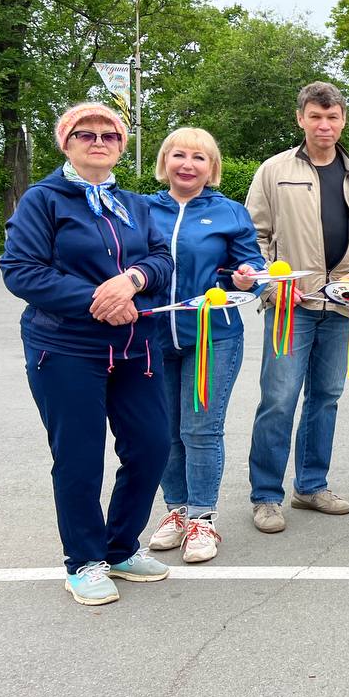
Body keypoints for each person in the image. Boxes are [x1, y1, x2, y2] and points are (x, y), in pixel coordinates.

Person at [0, 102, 174, 605]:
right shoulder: (43, 200)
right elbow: (22, 270)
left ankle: (120, 547)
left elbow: (161, 258)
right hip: (66, 347)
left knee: (151, 446)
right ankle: (83, 560)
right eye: (85, 133)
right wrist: (100, 299)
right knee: (77, 457)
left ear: (121, 146)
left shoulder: (137, 205)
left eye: (109, 135)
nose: (98, 141)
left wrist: (134, 280)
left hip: (137, 347)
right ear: (66, 143)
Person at [245, 81, 349, 534]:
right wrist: (274, 284)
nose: (324, 125)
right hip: (291, 305)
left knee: (325, 398)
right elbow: (253, 237)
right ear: (301, 119)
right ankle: (266, 496)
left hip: (343, 307)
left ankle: (311, 486)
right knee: (279, 399)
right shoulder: (273, 171)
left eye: (332, 117)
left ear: (343, 120)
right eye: (315, 116)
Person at [145, 128, 264, 563]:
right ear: (164, 162)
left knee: (200, 428)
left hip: (214, 336)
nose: (187, 164)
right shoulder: (142, 210)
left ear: (211, 168)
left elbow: (251, 268)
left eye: (199, 157)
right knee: (164, 429)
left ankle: (202, 519)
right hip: (154, 337)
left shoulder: (231, 213)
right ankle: (175, 511)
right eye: (179, 155)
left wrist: (247, 276)